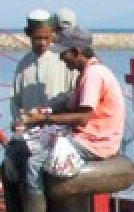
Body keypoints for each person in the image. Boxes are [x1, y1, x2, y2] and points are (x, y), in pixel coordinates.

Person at [2, 8, 75, 212]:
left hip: (58, 130)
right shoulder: (24, 64)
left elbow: (74, 99)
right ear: (29, 36)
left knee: (34, 164)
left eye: (46, 38)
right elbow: (16, 101)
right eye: (37, 38)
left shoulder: (63, 61)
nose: (42, 43)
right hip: (30, 131)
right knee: (10, 162)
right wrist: (19, 123)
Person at [21, 27, 125, 163]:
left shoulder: (93, 74)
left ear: (76, 52)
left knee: (34, 162)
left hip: (97, 142)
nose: (61, 58)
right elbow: (72, 111)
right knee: (24, 146)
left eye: (63, 53)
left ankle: (33, 185)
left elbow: (82, 117)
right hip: (86, 136)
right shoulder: (85, 73)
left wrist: (44, 118)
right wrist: (41, 114)